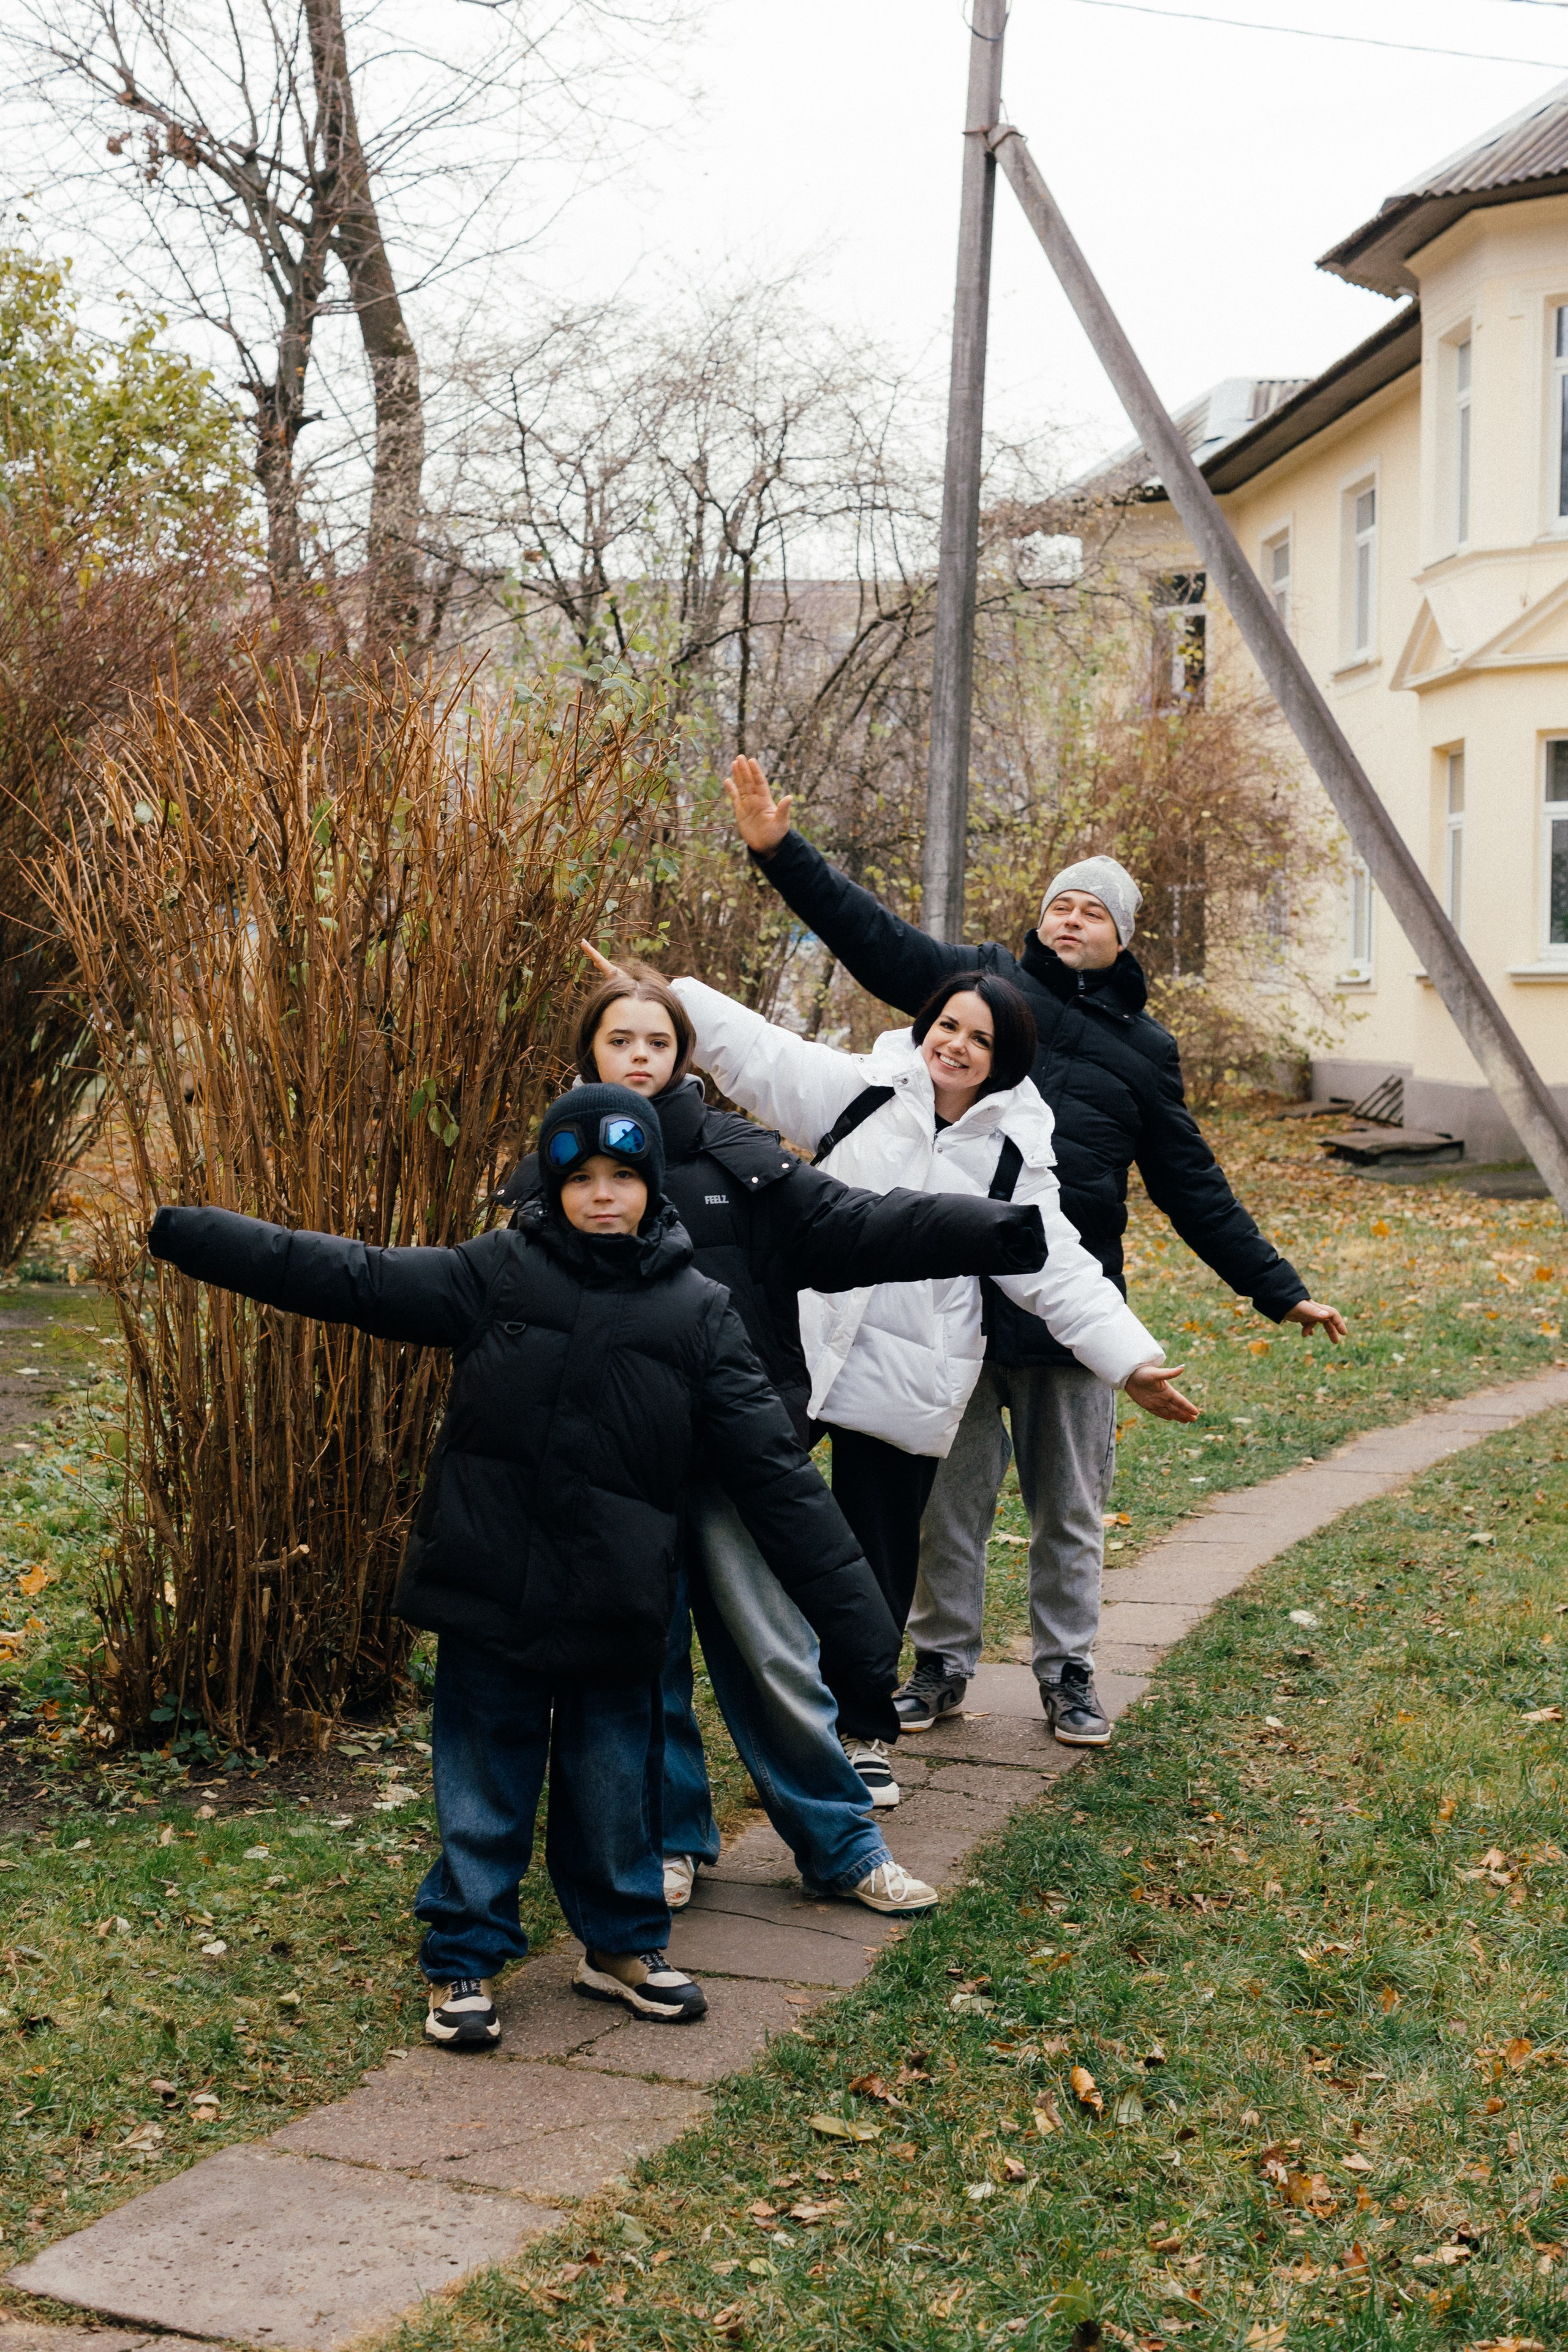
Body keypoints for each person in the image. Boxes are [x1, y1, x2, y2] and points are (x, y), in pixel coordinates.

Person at [148, 1084, 905, 2049]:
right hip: (489, 1588)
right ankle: (463, 1957)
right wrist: (195, 1234)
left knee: (613, 1791)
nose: (601, 1196)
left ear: (652, 1188)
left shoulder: (700, 1315)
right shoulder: (496, 1274)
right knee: (483, 1786)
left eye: (622, 1178)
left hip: (615, 1605)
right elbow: (350, 1277)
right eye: (580, 1178)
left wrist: (859, 1627)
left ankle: (623, 1946)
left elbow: (776, 1479)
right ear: (550, 1190)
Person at [723, 756, 1348, 1747]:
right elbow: (873, 941)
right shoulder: (985, 988)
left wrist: (1281, 1293)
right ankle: (939, 1667)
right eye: (1058, 904)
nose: (1068, 920)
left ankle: (1068, 1672)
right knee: (946, 1509)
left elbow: (1195, 1189)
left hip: (1069, 1311)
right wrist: (779, 853)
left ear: (1122, 936)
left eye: (1091, 912)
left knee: (1069, 1511)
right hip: (955, 1310)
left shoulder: (1146, 1053)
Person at [502, 958, 1052, 1909]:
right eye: (619, 1040)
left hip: (733, 1453)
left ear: (686, 1056)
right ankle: (672, 1842)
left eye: (659, 1041)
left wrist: (985, 1229)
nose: (639, 1057)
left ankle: (841, 1846)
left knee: (772, 1651)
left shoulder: (737, 1159)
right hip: (613, 1465)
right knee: (644, 1659)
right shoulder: (549, 1179)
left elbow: (858, 1225)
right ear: (587, 1052)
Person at [669, 965, 1188, 1669]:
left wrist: (1130, 1361)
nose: (957, 1046)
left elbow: (1057, 1268)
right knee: (752, 1528)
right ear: (926, 1027)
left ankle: (862, 1727)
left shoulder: (1012, 1156)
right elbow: (763, 1053)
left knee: (875, 1566)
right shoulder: (860, 1093)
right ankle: (775, 1692)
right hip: (806, 1350)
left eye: (981, 1038)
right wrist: (670, 996)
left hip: (908, 1377)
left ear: (1004, 1059)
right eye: (948, 1025)